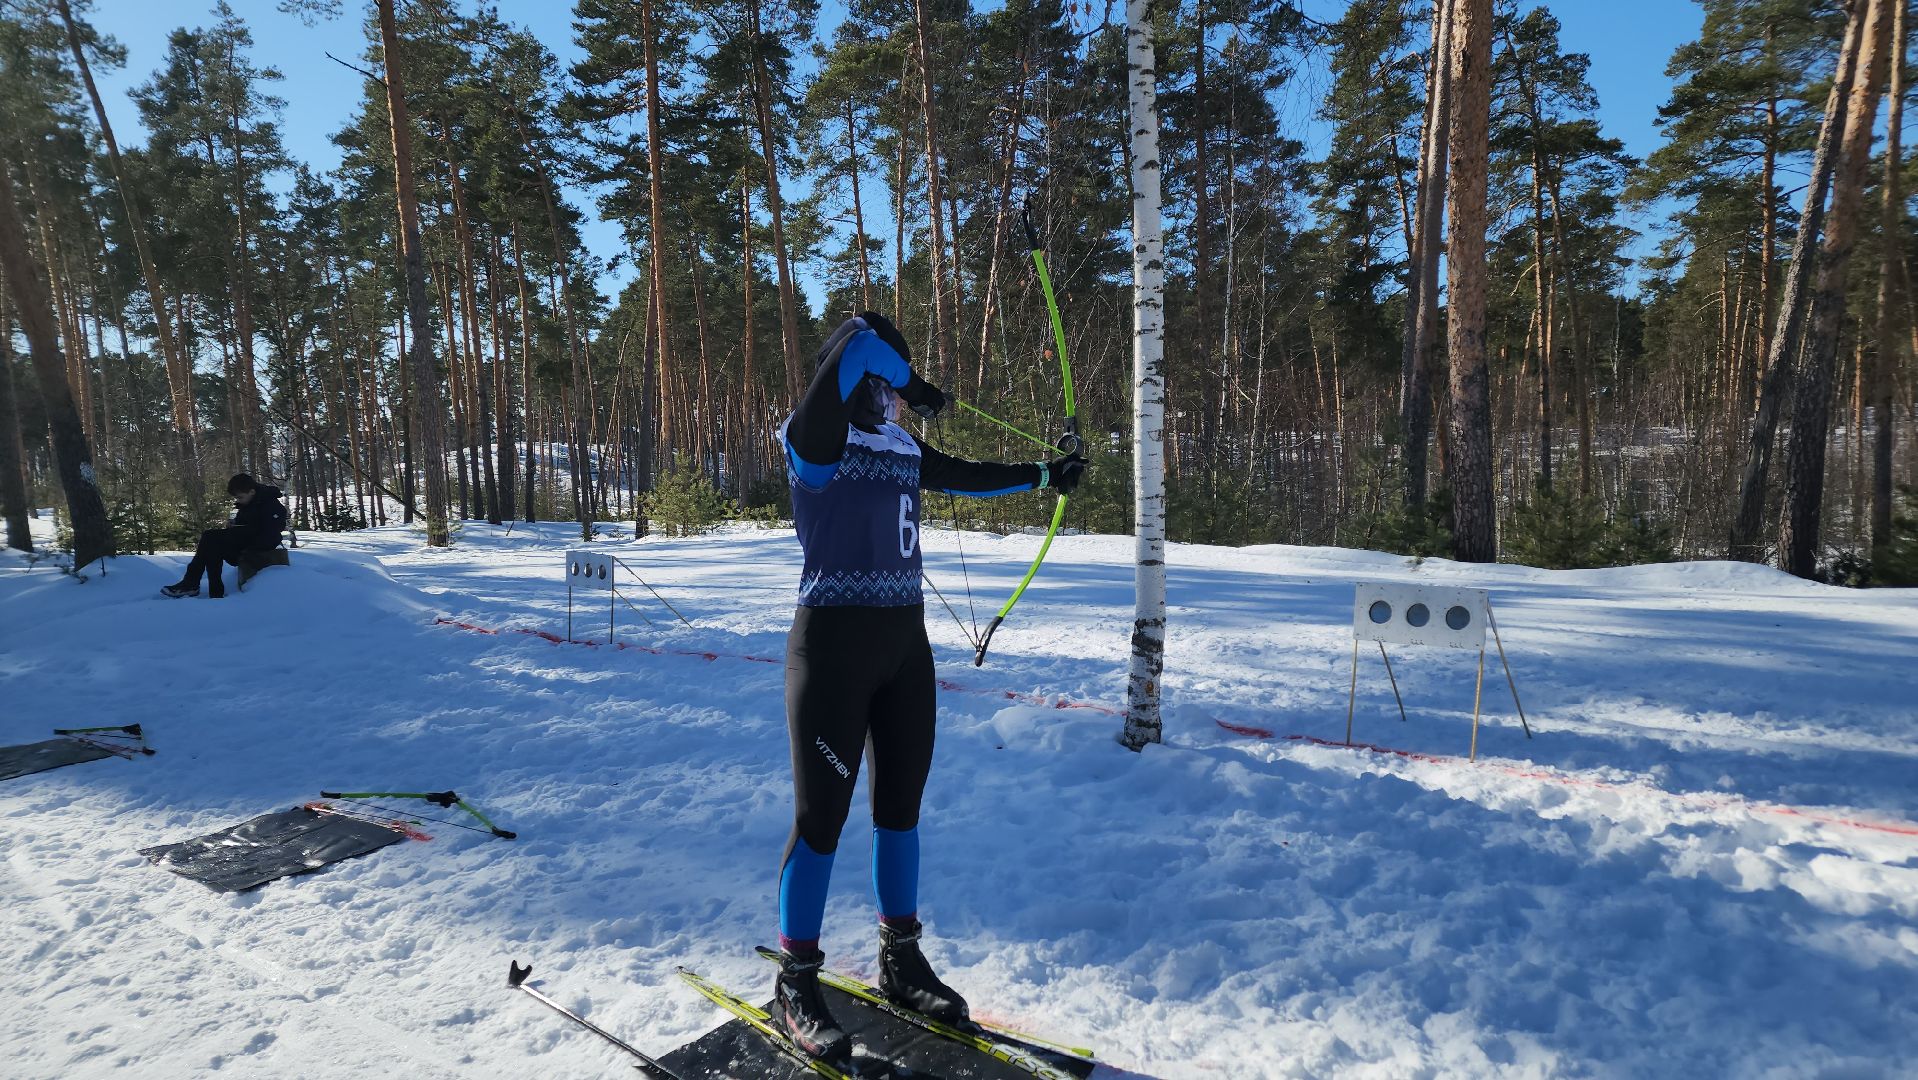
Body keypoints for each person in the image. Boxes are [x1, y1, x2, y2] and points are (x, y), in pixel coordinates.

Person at [770, 311, 1086, 1063]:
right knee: (821, 819)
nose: (897, 399)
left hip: (903, 653)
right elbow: (858, 346)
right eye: (890, 385)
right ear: (868, 380)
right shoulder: (814, 437)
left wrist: (1047, 476)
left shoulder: (900, 447)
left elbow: (969, 477)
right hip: (832, 653)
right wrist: (918, 383)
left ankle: (900, 959)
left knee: (900, 811)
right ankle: (796, 981)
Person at [161, 474, 288, 599]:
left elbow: (270, 534)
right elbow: (246, 524)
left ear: (252, 492)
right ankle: (214, 592)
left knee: (210, 538)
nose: (238, 500)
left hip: (258, 549)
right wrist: (235, 525)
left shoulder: (272, 505)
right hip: (245, 543)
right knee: (212, 544)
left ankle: (193, 585)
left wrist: (241, 533)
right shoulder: (250, 501)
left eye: (240, 497)